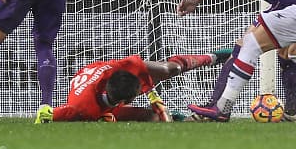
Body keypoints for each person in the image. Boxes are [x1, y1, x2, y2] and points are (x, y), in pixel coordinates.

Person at [177, 0, 296, 121]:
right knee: (286, 54)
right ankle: (293, 112)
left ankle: (217, 108)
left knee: (243, 46)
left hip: (286, 2)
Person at [53, 51, 231, 122]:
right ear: (127, 100)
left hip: (101, 73)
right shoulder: (82, 109)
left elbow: (138, 69)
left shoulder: (118, 68)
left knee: (169, 69)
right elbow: (49, 115)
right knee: (153, 118)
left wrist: (154, 97)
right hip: (98, 101)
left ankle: (214, 57)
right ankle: (188, 119)